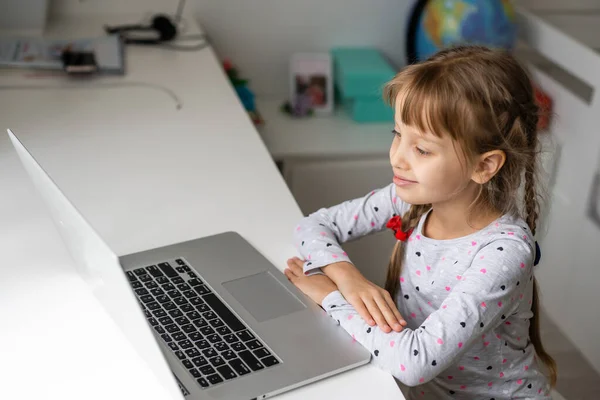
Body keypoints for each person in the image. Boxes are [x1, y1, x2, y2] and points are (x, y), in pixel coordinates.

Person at [284, 45, 557, 399]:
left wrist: (333, 298)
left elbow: (414, 363)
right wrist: (348, 279)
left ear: (484, 165)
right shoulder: (412, 196)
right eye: (397, 134)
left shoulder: (503, 253)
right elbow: (312, 225)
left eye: (422, 149)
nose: (397, 157)